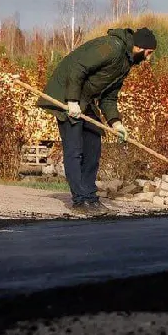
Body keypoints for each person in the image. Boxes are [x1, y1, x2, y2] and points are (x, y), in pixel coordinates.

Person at [37, 27, 157, 215]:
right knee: (75, 150)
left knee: (93, 146)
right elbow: (77, 67)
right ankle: (80, 200)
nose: (148, 58)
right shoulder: (110, 47)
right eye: (149, 53)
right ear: (139, 47)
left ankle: (90, 197)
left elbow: (109, 96)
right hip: (66, 94)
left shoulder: (126, 63)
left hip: (85, 100)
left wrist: (116, 123)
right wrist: (72, 101)